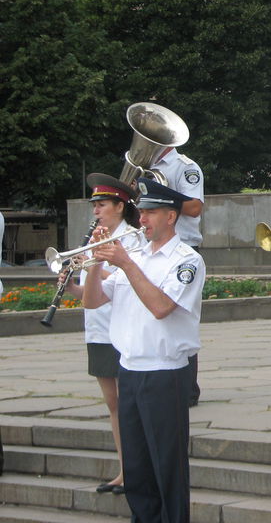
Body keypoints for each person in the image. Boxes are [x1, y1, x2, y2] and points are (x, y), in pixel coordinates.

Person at [82, 177, 204, 522]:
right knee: (136, 469)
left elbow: (161, 306)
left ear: (170, 216)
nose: (143, 219)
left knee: (167, 467)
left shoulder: (187, 260)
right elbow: (93, 301)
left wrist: (125, 264)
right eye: (142, 212)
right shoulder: (133, 255)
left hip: (165, 372)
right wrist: (93, 263)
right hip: (130, 371)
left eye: (150, 213)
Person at [58, 174, 144, 495]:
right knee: (112, 403)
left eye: (103, 205)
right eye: (94, 205)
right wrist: (71, 284)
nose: (96, 211)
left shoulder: (133, 238)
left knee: (127, 403)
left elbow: (133, 278)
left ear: (120, 207)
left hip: (122, 327)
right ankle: (124, 469)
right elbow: (89, 292)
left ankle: (135, 469)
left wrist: (99, 262)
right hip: (97, 328)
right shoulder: (93, 238)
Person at [151, 145, 204, 407]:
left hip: (183, 247)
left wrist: (163, 194)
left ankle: (187, 388)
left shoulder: (185, 166)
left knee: (180, 316)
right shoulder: (145, 166)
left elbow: (194, 207)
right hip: (153, 246)